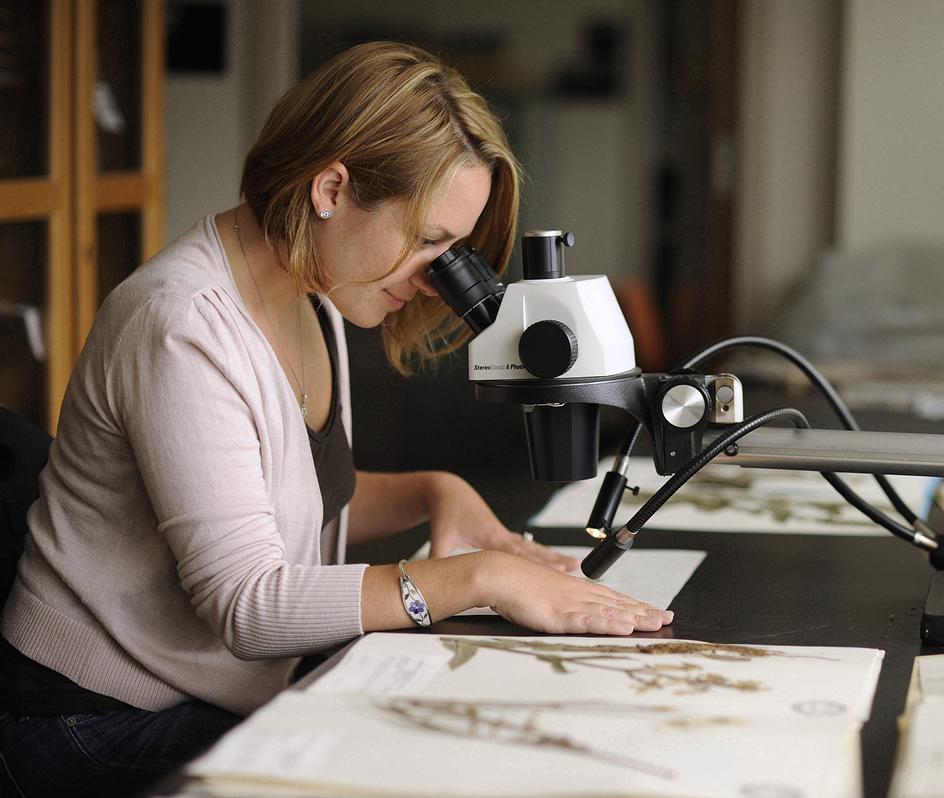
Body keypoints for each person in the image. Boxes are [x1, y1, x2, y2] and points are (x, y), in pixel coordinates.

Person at [0, 42, 671, 798]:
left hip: (217, 689)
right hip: (93, 719)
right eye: (430, 242)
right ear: (331, 189)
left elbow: (274, 504)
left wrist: (434, 492)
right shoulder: (182, 325)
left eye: (455, 250)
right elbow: (249, 605)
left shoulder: (310, 297)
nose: (437, 282)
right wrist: (479, 577)